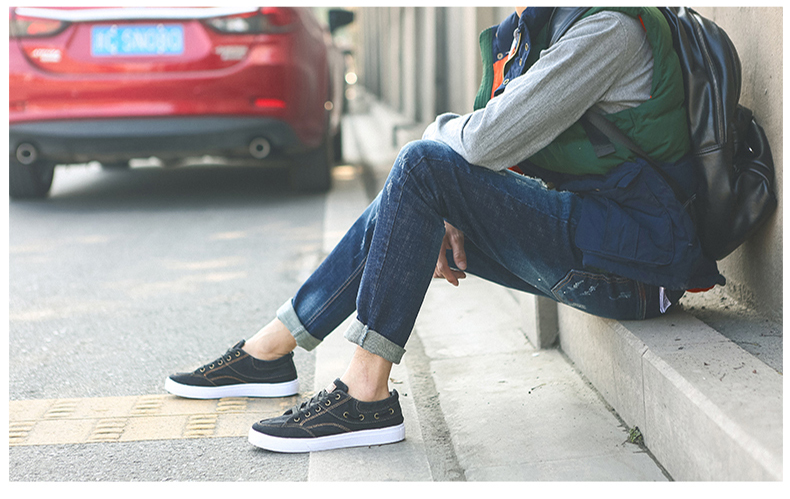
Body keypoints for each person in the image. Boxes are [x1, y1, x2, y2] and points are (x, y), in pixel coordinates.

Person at [165, 6, 724, 453]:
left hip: (636, 269)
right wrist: (441, 207)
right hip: (596, 239)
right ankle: (273, 349)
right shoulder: (543, 27)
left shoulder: (607, 30)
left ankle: (363, 393)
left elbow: (481, 142)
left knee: (421, 166)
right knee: (414, 188)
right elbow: (485, 149)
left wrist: (437, 152)